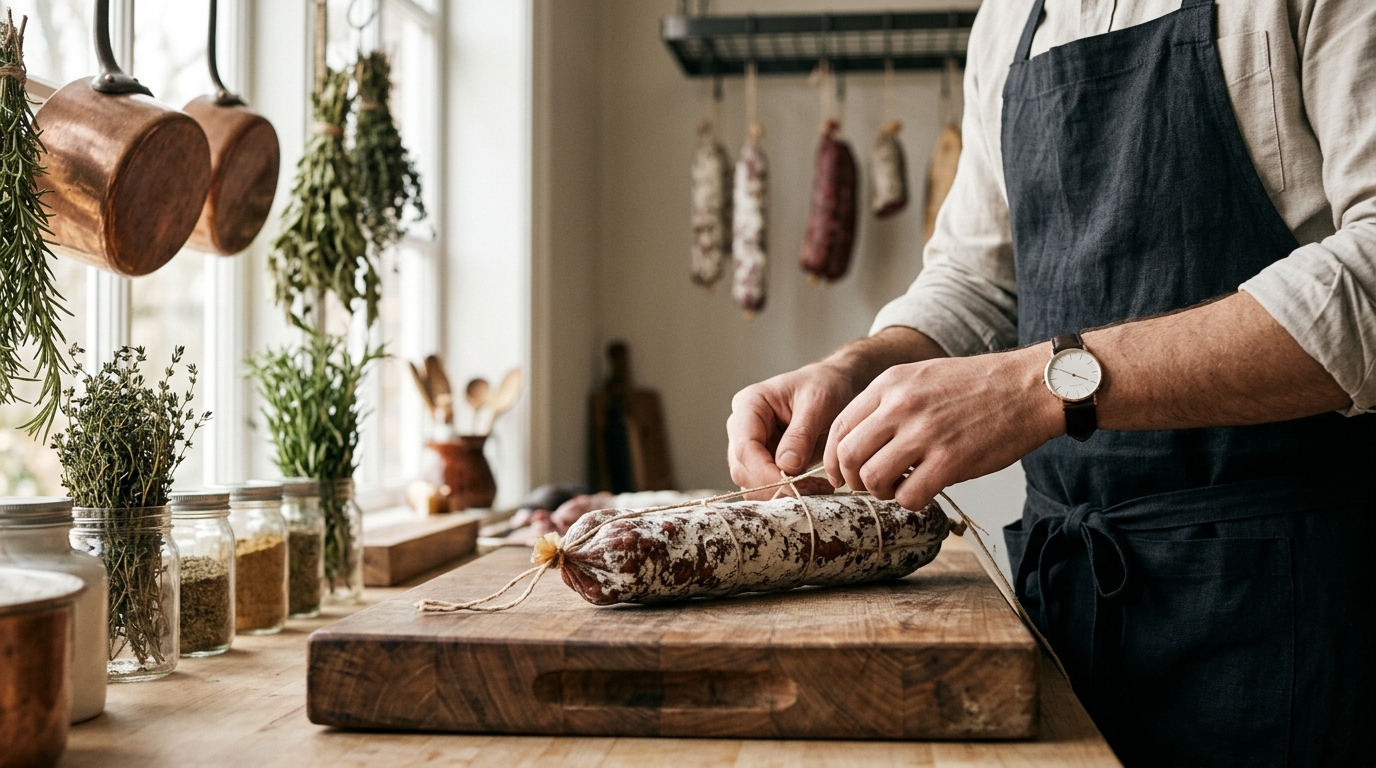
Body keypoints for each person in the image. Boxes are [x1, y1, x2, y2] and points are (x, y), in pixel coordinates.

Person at [726, 0, 1376, 764]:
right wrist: (852, 369)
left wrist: (1041, 385)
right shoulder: (1009, 18)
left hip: (1294, 608)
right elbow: (977, 280)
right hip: (1067, 597)